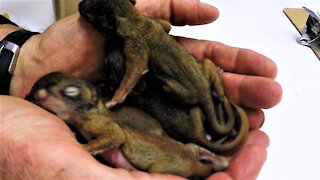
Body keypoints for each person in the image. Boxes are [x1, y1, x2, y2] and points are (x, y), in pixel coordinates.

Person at [0, 0, 282, 179]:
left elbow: (134, 74)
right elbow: (162, 29)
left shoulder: (134, 47)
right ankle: (213, 111)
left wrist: (121, 94)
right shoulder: (146, 30)